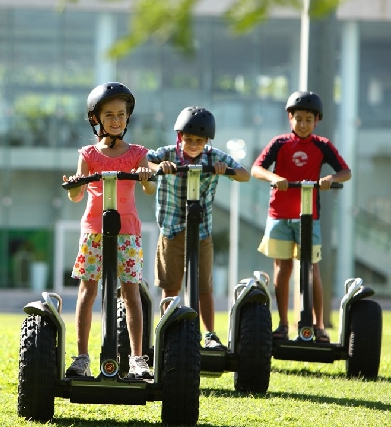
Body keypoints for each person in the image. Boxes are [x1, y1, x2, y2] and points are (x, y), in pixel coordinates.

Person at [62, 82, 157, 379]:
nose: (116, 120)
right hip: (94, 231)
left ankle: (138, 359)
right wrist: (75, 183)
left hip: (127, 231)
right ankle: (82, 357)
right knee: (88, 290)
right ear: (97, 119)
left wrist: (145, 176)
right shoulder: (89, 153)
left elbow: (150, 189)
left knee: (131, 293)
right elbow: (75, 196)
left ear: (128, 117)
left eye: (121, 114)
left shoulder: (139, 153)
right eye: (109, 115)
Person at [250, 90, 351, 343]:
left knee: (311, 270)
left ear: (317, 120)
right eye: (299, 119)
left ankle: (318, 326)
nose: (303, 124)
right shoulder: (280, 143)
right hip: (279, 215)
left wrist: (329, 179)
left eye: (308, 119)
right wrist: (275, 178)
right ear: (290, 118)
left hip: (309, 215)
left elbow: (345, 172)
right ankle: (283, 324)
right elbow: (256, 168)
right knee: (282, 269)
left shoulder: (322, 145)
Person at [147, 106, 250, 350]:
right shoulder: (169, 153)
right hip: (171, 228)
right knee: (170, 284)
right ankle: (168, 329)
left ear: (207, 141)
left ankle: (210, 335)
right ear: (180, 137)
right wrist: (159, 168)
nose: (193, 145)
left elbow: (245, 175)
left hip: (201, 230)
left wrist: (228, 171)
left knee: (204, 286)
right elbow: (145, 161)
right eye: (189, 139)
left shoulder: (214, 157)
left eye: (199, 141)